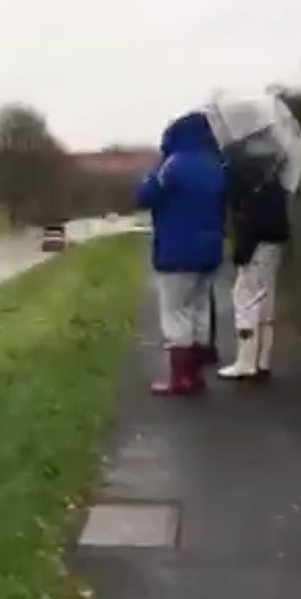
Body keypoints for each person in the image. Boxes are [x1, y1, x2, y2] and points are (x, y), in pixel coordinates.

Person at [135, 112, 227, 396]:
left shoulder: (172, 165)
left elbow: (144, 197)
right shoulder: (216, 165)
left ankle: (178, 379)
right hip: (209, 249)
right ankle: (196, 376)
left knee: (176, 313)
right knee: (200, 310)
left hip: (177, 250)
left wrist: (150, 175)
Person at [216, 166, 289, 380]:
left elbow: (248, 222)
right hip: (274, 245)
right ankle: (262, 359)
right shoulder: (274, 181)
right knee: (266, 300)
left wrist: (240, 254)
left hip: (256, 248)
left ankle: (246, 361)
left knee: (245, 302)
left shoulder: (249, 183)